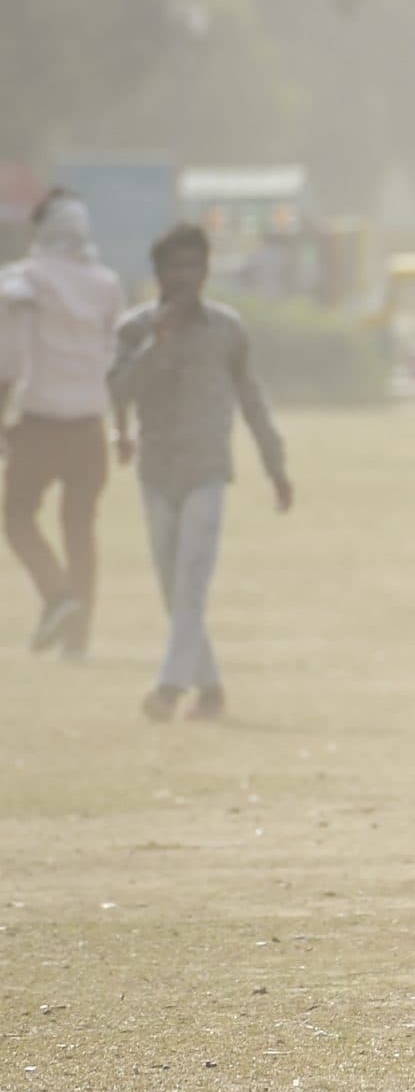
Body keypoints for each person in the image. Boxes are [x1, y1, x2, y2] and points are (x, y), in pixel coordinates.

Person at [108, 224, 293, 721]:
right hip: (156, 470)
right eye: (175, 266)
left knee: (192, 581)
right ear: (159, 273)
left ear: (206, 270)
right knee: (173, 587)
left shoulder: (227, 329)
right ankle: (210, 689)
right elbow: (120, 390)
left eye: (194, 265)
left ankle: (168, 689)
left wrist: (274, 464)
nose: (185, 276)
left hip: (208, 468)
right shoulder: (134, 328)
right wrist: (158, 341)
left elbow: (251, 397)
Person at [0, 190, 125, 657]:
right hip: (90, 424)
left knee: (16, 518)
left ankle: (58, 596)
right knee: (80, 527)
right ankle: (78, 639)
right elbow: (116, 351)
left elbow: (8, 359)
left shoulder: (25, 280)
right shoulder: (107, 283)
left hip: (41, 422)